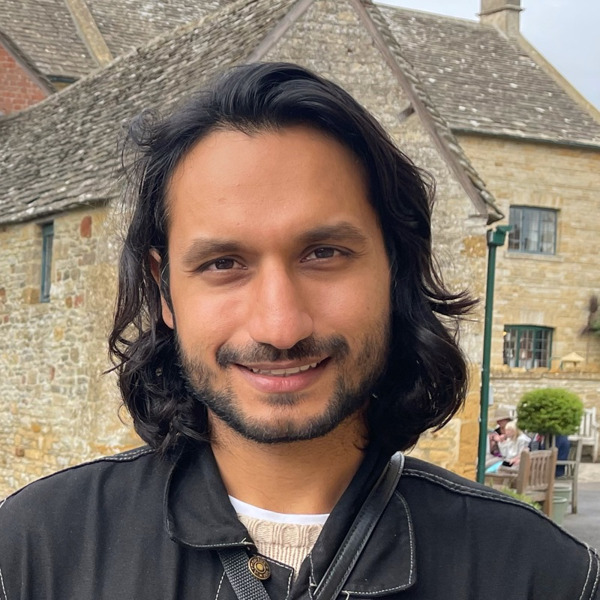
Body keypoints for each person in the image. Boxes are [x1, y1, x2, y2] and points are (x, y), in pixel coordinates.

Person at [0, 62, 598, 599]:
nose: (280, 327)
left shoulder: (548, 577)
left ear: (395, 270)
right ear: (165, 292)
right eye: (223, 264)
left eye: (324, 254)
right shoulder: (31, 553)